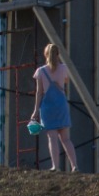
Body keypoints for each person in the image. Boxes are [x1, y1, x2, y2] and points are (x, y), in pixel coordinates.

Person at [30, 42, 79, 172]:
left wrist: (35, 111)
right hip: (61, 105)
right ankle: (74, 166)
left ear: (46, 55)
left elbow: (39, 92)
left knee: (52, 138)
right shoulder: (64, 68)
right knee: (66, 139)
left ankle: (55, 166)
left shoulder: (40, 71)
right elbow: (66, 81)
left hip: (47, 107)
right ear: (58, 54)